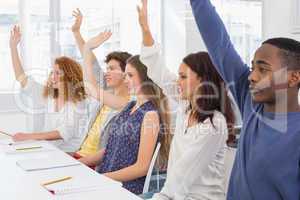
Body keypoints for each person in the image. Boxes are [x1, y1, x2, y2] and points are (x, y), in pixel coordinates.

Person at [190, 0, 300, 199]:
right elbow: (219, 44)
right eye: (252, 68)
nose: (252, 76)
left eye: (263, 69)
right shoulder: (251, 102)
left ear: (293, 78)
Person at [137, 0, 235, 199]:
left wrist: (159, 197)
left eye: (183, 77)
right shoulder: (186, 107)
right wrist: (146, 29)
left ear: (202, 80)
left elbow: (182, 177)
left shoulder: (214, 124)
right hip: (174, 194)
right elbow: (158, 70)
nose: (177, 81)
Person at [78, 32, 172, 195]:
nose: (125, 79)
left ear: (145, 77)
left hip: (123, 188)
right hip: (107, 181)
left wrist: (103, 178)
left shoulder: (150, 115)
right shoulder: (129, 106)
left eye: (130, 75)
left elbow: (142, 167)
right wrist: (80, 164)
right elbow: (111, 149)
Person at [9, 25, 88, 153]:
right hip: (48, 150)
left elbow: (62, 132)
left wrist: (29, 137)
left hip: (68, 154)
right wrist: (13, 48)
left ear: (69, 76)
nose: (53, 77)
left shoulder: (79, 102)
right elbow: (21, 78)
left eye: (58, 73)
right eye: (52, 72)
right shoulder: (50, 95)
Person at [70, 9, 131, 158]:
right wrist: (77, 33)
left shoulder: (128, 103)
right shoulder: (107, 91)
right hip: (79, 153)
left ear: (126, 73)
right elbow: (91, 63)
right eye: (107, 68)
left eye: (112, 69)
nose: (106, 72)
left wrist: (87, 48)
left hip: (93, 163)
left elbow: (91, 88)